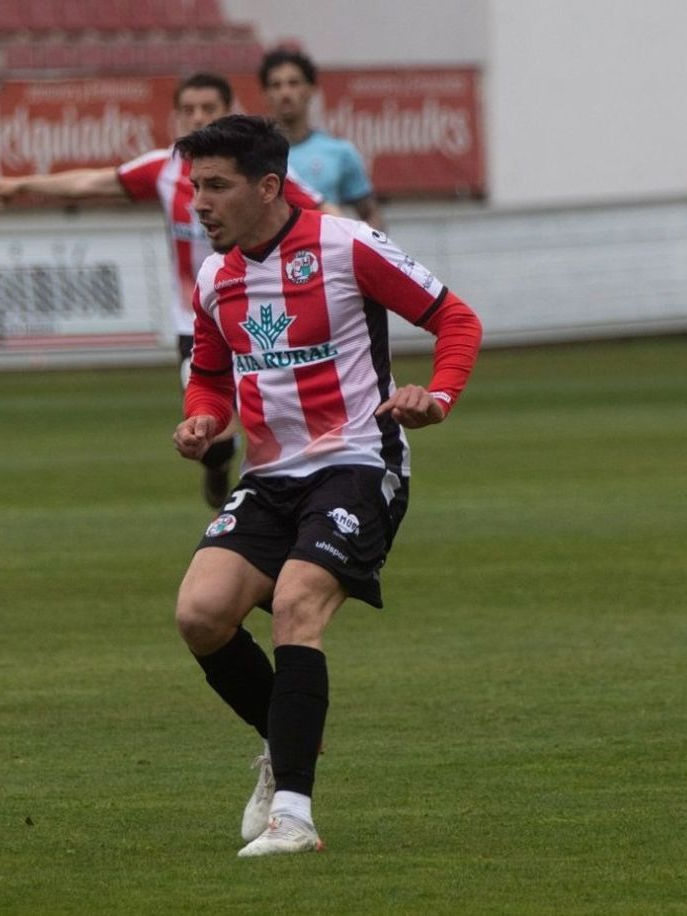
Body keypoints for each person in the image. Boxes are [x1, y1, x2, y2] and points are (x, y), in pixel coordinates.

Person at [170, 115, 481, 856]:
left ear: (268, 187)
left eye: (216, 186)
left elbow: (456, 319)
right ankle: (285, 743)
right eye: (195, 186)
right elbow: (210, 375)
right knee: (200, 615)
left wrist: (436, 398)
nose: (199, 203)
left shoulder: (346, 245)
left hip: (359, 463)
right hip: (270, 476)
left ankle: (294, 817)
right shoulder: (215, 278)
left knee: (296, 603)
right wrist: (202, 419)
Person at [0, 72, 335, 509]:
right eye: (188, 110)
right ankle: (221, 467)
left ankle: (291, 498)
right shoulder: (165, 168)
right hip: (196, 322)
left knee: (280, 418)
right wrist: (25, 185)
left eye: (208, 109)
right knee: (214, 434)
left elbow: (322, 211)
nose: (198, 117)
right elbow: (94, 182)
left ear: (229, 110)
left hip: (263, 316)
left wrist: (361, 248)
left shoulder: (255, 172)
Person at [259, 47, 385, 230]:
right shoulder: (255, 155)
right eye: (276, 85)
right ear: (266, 94)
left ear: (311, 89)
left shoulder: (340, 152)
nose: (285, 92)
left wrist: (367, 242)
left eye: (293, 83)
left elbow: (371, 213)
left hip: (325, 247)